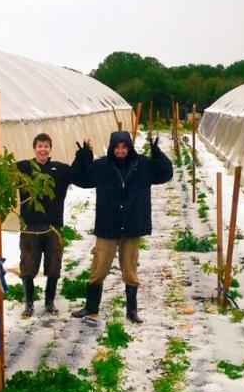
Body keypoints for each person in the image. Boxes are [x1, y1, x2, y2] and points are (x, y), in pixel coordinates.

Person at [70, 130, 173, 323]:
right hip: (107, 226)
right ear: (112, 148)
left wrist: (158, 156)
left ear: (129, 147)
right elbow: (80, 179)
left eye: (124, 146)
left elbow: (166, 174)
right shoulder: (101, 166)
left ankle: (132, 311)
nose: (120, 150)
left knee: (130, 269)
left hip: (132, 225)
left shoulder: (142, 165)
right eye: (117, 147)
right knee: (99, 267)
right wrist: (82, 158)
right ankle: (91, 307)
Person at [16, 133, 72, 317]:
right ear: (34, 148)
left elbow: (79, 175)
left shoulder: (60, 169)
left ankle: (49, 301)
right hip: (30, 227)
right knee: (28, 266)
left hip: (52, 228)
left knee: (54, 265)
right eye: (39, 146)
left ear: (50, 149)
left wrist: (83, 157)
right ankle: (29, 304)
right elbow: (0, 172)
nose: (43, 149)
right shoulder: (24, 168)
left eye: (46, 146)